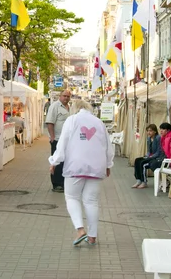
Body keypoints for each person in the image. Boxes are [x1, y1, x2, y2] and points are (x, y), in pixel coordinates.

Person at [48, 99, 114, 246]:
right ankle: (92, 236)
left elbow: (62, 144)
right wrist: (108, 164)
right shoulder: (99, 122)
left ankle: (80, 229)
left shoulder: (71, 120)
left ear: (75, 108)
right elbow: (108, 146)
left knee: (72, 197)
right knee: (91, 201)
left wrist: (54, 161)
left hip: (75, 166)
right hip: (97, 167)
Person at [45, 90, 71, 192]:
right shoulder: (55, 106)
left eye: (68, 96)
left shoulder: (70, 108)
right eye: (64, 96)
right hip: (57, 139)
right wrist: (52, 136)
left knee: (65, 161)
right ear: (60, 96)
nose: (66, 98)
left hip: (68, 140)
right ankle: (56, 184)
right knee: (56, 161)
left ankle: (63, 182)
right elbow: (50, 122)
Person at [132, 124, 164, 189]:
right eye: (148, 131)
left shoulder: (158, 138)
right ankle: (138, 180)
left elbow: (158, 152)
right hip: (151, 156)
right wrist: (146, 156)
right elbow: (149, 150)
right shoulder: (149, 139)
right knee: (137, 160)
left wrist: (149, 157)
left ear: (155, 131)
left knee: (143, 163)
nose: (149, 132)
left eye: (150, 131)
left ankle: (144, 182)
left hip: (157, 158)